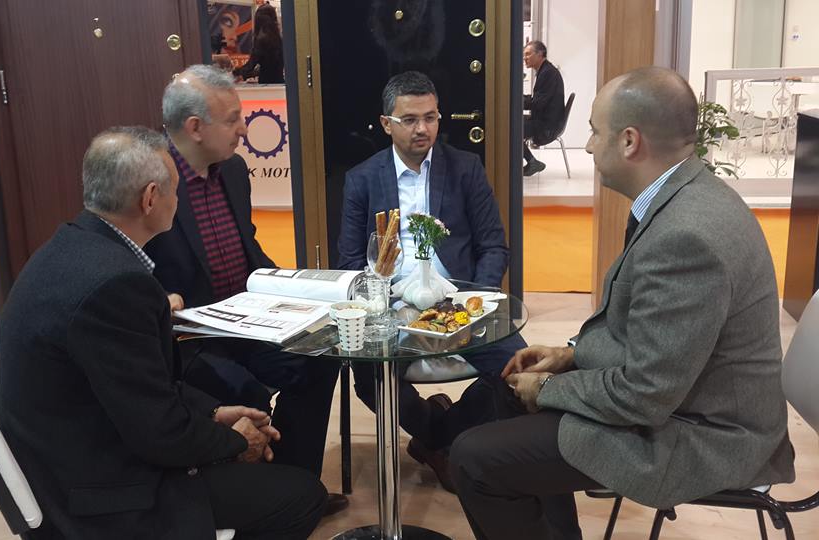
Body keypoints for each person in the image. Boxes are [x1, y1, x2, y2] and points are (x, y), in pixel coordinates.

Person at [448, 66, 796, 540]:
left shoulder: (687, 236)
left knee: (474, 460)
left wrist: (548, 388)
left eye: (595, 131)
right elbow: (648, 337)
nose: (590, 146)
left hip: (703, 434)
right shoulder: (684, 197)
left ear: (629, 141)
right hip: (683, 403)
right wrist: (570, 356)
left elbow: (646, 394)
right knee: (506, 394)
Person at [0, 126, 326, 540]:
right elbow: (158, 432)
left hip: (79, 448)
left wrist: (213, 413)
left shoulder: (72, 246)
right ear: (150, 198)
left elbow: (141, 387)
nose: (179, 200)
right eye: (175, 190)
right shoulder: (114, 284)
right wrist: (235, 441)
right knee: (302, 497)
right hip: (98, 492)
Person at [143, 65, 347, 514]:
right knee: (244, 389)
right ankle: (257, 497)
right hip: (189, 338)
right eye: (233, 118)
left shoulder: (233, 170)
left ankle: (296, 487)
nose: (243, 128)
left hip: (249, 319)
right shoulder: (151, 182)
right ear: (195, 128)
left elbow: (247, 246)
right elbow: (134, 273)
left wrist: (294, 288)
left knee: (319, 357)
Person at [335, 70, 527, 493]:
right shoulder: (362, 179)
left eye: (430, 117)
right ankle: (436, 436)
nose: (422, 128)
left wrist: (478, 301)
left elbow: (494, 246)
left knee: (520, 369)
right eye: (409, 119)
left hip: (458, 302)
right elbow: (349, 261)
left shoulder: (465, 168)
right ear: (387, 124)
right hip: (392, 306)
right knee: (369, 378)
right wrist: (379, 302)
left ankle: (444, 433)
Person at [522, 40, 565, 177]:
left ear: (540, 54)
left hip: (546, 126)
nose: (524, 58)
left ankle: (531, 162)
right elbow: (539, 99)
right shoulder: (545, 71)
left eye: (528, 54)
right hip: (543, 120)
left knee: (510, 129)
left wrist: (517, 101)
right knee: (510, 123)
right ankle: (530, 161)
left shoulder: (548, 73)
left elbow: (538, 103)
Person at [233, 3, 284, 84]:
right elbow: (272, 67)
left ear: (258, 20)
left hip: (265, 83)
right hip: (279, 81)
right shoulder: (279, 38)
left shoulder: (261, 39)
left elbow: (251, 65)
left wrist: (235, 72)